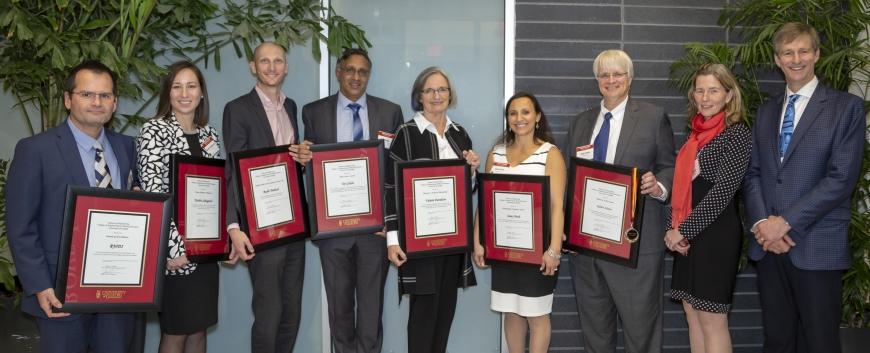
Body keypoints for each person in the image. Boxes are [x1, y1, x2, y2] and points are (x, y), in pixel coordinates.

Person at [743, 22, 865, 353]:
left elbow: (841, 178)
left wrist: (786, 222)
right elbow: (753, 174)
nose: (796, 59)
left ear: (817, 55)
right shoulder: (766, 112)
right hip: (769, 247)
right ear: (777, 59)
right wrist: (762, 225)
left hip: (816, 246)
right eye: (788, 53)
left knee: (820, 342)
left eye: (803, 51)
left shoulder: (846, 109)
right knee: (778, 340)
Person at [6, 60, 139, 353]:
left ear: (115, 103)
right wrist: (39, 285)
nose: (96, 102)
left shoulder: (127, 147)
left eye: (105, 96)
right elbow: (20, 226)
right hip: (58, 292)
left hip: (118, 293)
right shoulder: (35, 150)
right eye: (87, 94)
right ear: (68, 99)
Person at [562, 49, 676, 353]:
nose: (610, 80)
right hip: (587, 249)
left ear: (630, 78)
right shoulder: (580, 123)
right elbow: (570, 179)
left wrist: (659, 185)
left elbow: (669, 165)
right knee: (595, 334)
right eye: (604, 74)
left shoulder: (653, 117)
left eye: (617, 74)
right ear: (597, 80)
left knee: (642, 333)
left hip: (635, 246)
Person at [301, 48, 403, 353]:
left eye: (363, 71)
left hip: (376, 231)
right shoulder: (313, 112)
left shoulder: (390, 112)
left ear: (368, 75)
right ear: (338, 72)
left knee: (371, 312)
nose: (356, 77)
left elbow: (396, 172)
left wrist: (392, 224)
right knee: (339, 310)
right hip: (333, 232)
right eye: (350, 70)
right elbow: (310, 169)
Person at [222, 41, 312, 353]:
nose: (271, 67)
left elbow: (287, 163)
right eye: (264, 61)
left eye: (278, 61)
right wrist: (234, 226)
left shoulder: (291, 106)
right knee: (268, 312)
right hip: (260, 227)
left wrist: (301, 159)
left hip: (294, 225)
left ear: (286, 67)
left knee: (291, 312)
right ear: (253, 66)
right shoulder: (238, 109)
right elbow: (234, 167)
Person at [385, 66, 479, 353]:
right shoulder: (407, 133)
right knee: (424, 316)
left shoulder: (459, 134)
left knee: (445, 314)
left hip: (452, 241)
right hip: (419, 243)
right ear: (419, 96)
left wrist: (472, 171)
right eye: (430, 90)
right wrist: (392, 240)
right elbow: (391, 187)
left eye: (442, 90)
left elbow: (466, 190)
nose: (437, 96)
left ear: (450, 95)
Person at [664, 63, 751, 353]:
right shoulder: (694, 134)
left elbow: (723, 193)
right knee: (692, 313)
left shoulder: (737, 134)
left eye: (713, 90)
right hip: (688, 237)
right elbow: (681, 189)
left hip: (716, 237)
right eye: (700, 90)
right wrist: (671, 229)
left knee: (712, 319)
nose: (705, 97)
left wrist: (682, 231)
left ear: (728, 95)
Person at [136, 61, 221, 353]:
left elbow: (215, 193)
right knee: (176, 332)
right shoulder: (154, 131)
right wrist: (173, 249)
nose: (184, 93)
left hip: (206, 252)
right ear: (168, 93)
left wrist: (219, 241)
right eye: (177, 86)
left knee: (199, 329)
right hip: (176, 254)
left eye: (191, 86)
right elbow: (153, 193)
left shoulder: (209, 135)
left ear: (201, 93)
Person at [472, 92, 565, 353]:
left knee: (537, 316)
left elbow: (558, 206)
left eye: (525, 112)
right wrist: (478, 241)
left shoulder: (550, 154)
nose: (519, 118)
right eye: (513, 113)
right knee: (511, 312)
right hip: (504, 250)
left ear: (537, 117)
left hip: (538, 252)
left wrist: (554, 250)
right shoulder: (496, 153)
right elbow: (485, 201)